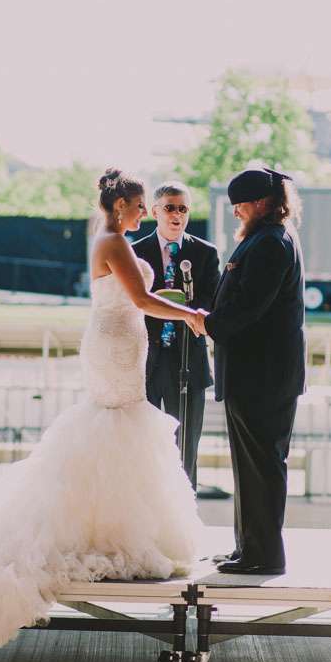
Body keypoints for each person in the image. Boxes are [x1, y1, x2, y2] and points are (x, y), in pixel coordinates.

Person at [0, 169, 206, 653]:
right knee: (118, 424)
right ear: (121, 207)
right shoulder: (113, 241)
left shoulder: (110, 239)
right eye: (138, 206)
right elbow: (139, 298)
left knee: (117, 428)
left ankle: (111, 523)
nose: (143, 213)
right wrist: (190, 314)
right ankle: (109, 529)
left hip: (120, 342)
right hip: (114, 346)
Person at [203, 168, 306, 576]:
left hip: (262, 376)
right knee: (249, 467)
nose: (236, 212)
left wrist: (207, 323)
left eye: (240, 205)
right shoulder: (267, 238)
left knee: (260, 466)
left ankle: (263, 554)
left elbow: (248, 307)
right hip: (257, 375)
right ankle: (248, 547)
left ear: (261, 203)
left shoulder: (270, 243)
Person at [132, 182, 220, 489]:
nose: (177, 215)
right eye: (170, 207)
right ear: (155, 211)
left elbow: (211, 300)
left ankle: (183, 511)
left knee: (186, 450)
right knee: (141, 447)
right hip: (145, 362)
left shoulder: (205, 253)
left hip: (188, 361)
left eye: (183, 209)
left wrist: (185, 306)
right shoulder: (135, 252)